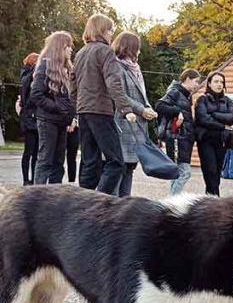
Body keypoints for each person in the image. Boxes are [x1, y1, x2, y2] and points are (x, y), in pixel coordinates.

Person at [71, 14, 137, 195]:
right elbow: (113, 82)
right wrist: (126, 109)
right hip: (100, 111)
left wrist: (74, 112)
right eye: (110, 31)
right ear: (102, 30)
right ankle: (101, 200)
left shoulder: (80, 53)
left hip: (83, 112)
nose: (111, 35)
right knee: (116, 162)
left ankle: (82, 200)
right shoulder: (105, 51)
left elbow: (73, 86)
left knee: (89, 161)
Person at [112, 31, 157, 197]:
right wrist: (141, 110)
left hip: (137, 127)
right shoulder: (117, 67)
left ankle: (124, 206)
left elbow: (141, 95)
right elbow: (120, 95)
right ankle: (114, 209)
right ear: (129, 48)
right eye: (137, 48)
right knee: (119, 169)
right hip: (123, 123)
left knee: (129, 168)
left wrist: (148, 108)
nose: (139, 52)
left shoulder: (136, 69)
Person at [30, 31, 75, 185]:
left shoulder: (67, 68)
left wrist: (71, 116)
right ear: (59, 47)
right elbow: (36, 94)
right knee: (45, 160)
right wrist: (56, 107)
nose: (70, 49)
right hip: (48, 120)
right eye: (68, 46)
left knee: (58, 163)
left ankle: (54, 198)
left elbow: (71, 96)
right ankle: (36, 198)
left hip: (62, 122)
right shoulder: (45, 65)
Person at [155, 68, 201, 195]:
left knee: (177, 173)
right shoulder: (175, 91)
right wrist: (177, 111)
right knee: (185, 173)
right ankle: (172, 201)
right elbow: (159, 105)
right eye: (196, 81)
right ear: (187, 79)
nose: (197, 85)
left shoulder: (186, 95)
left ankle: (171, 202)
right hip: (176, 137)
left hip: (183, 138)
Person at [195, 71, 233, 196]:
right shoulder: (202, 99)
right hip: (206, 141)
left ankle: (211, 200)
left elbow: (232, 118)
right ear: (209, 83)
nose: (219, 84)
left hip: (222, 141)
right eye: (216, 81)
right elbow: (203, 118)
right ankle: (214, 200)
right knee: (210, 172)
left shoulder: (227, 101)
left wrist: (213, 115)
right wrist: (222, 125)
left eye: (222, 82)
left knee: (217, 173)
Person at [18, 53, 39, 185]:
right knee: (31, 151)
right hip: (31, 118)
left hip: (29, 117)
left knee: (32, 152)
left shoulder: (25, 77)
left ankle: (29, 179)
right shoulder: (30, 78)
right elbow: (31, 99)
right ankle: (27, 179)